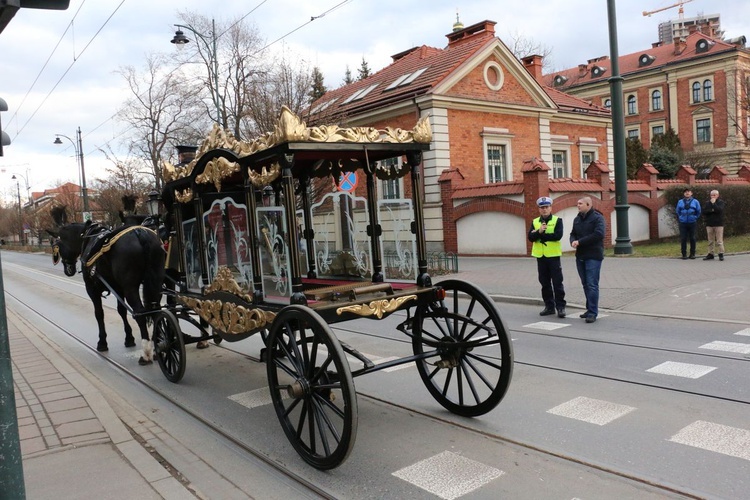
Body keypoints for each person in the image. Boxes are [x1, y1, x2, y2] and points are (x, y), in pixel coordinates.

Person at [528, 196, 566, 318]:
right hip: (541, 256)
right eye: (542, 207)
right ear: (539, 209)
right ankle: (549, 307)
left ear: (550, 208)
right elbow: (530, 237)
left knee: (557, 283)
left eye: (546, 207)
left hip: (553, 256)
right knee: (544, 283)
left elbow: (557, 236)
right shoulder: (535, 222)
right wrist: (538, 232)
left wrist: (540, 235)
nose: (544, 210)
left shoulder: (557, 220)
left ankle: (560, 307)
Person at [570, 196, 605, 323]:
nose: (578, 205)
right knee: (585, 284)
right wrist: (572, 241)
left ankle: (593, 312)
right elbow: (572, 233)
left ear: (588, 204)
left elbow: (599, 234)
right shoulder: (577, 219)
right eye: (577, 203)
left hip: (593, 256)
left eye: (580, 203)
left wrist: (580, 242)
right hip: (581, 256)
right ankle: (589, 308)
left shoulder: (597, 218)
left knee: (592, 284)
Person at [675, 187, 701, 260]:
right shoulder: (680, 202)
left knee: (692, 238)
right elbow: (678, 211)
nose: (687, 193)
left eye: (688, 192)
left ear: (691, 193)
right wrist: (680, 218)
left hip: (692, 222)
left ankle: (692, 254)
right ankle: (684, 254)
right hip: (683, 223)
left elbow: (698, 211)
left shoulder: (695, 201)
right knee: (683, 238)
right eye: (685, 192)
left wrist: (695, 217)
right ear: (684, 193)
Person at [702, 189, 725, 261]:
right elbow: (704, 212)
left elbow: (719, 210)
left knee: (719, 240)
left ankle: (721, 253)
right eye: (711, 195)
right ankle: (710, 254)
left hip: (719, 224)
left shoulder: (721, 202)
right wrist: (712, 210)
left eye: (714, 195)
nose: (713, 196)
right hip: (709, 224)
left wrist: (714, 204)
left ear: (718, 195)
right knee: (710, 240)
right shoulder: (707, 203)